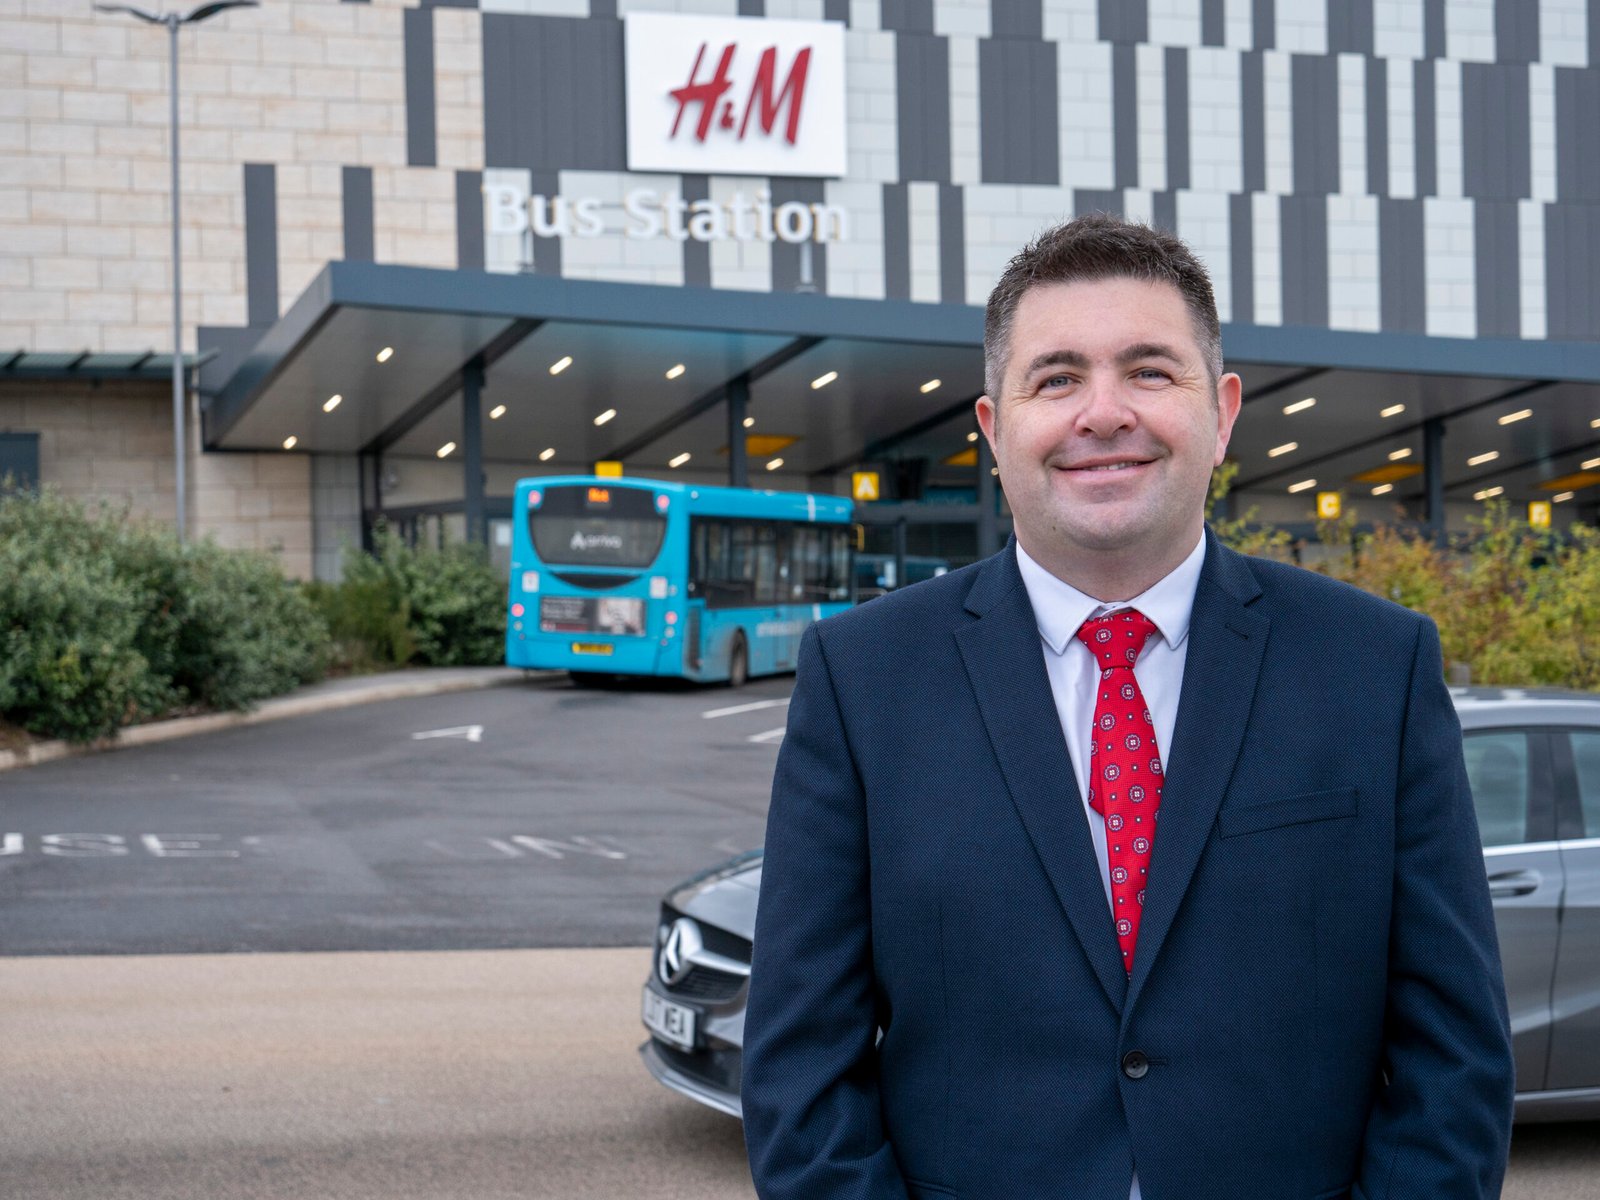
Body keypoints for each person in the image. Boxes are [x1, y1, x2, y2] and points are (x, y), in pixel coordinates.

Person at [741, 214, 1514, 1200]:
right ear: (991, 427)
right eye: (1055, 378)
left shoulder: (1375, 665)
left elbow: (1454, 1060)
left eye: (1149, 371)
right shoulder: (861, 677)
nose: (1102, 413)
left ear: (1223, 410)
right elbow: (801, 1072)